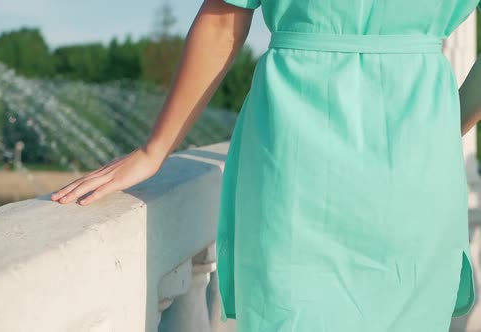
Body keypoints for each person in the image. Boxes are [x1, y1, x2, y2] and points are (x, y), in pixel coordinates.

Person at [52, 0, 481, 330]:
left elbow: (223, 24)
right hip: (414, 172)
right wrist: (443, 127)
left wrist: (156, 149)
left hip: (295, 169)